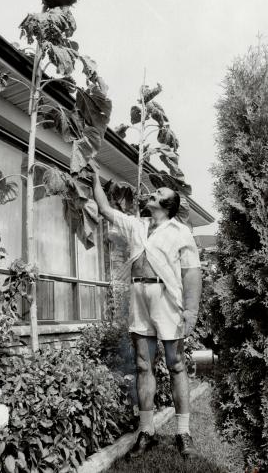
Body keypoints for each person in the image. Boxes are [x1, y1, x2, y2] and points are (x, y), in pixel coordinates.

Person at [92, 172, 202, 458]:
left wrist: (190, 312)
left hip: (167, 299)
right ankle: (147, 431)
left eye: (156, 195)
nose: (149, 196)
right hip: (139, 297)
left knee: (176, 364)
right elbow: (105, 210)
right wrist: (94, 179)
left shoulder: (181, 233)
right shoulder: (137, 226)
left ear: (167, 206)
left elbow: (192, 275)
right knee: (143, 365)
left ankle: (183, 432)